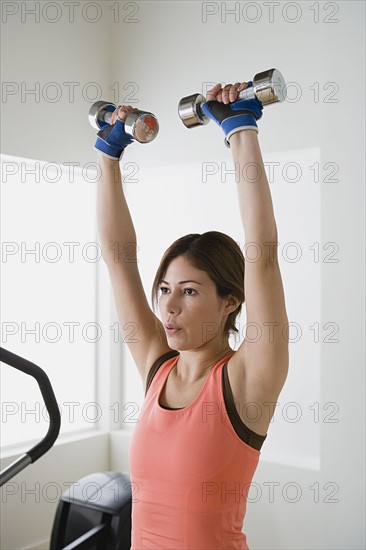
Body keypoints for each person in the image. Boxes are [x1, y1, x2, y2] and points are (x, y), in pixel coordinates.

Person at [95, 80, 289, 549]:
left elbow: (261, 253)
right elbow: (119, 260)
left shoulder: (248, 378)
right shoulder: (157, 368)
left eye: (189, 291)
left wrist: (240, 128)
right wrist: (108, 152)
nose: (168, 307)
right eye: (164, 290)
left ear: (231, 301)